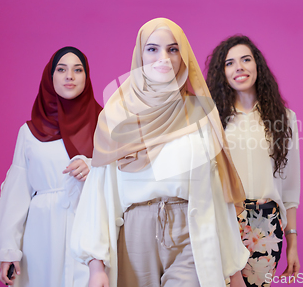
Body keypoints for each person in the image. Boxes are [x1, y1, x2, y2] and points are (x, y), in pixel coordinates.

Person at [70, 18, 249, 287]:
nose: (162, 58)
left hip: (190, 230)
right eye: (152, 49)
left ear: (183, 57)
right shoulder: (116, 115)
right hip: (133, 235)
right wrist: (97, 266)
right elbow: (100, 191)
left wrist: (233, 270)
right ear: (140, 54)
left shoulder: (200, 113)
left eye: (173, 49)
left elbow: (214, 192)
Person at [0, 46, 102, 286]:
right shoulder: (29, 132)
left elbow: (123, 177)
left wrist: (93, 167)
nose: (69, 76)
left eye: (78, 69)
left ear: (87, 77)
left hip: (89, 229)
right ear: (50, 76)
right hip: (42, 231)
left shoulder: (104, 124)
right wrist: (9, 252)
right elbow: (17, 193)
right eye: (61, 69)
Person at [205, 35, 301, 286]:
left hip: (266, 222)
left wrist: (292, 242)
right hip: (223, 217)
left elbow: (290, 185)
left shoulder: (285, 118)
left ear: (257, 66)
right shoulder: (211, 119)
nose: (239, 67)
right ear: (222, 73)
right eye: (230, 63)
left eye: (246, 59)